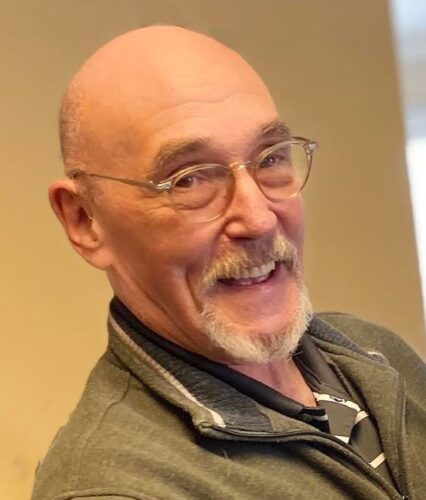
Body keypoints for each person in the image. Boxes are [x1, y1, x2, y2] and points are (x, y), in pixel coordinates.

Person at [32, 26, 426, 500]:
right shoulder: (121, 487)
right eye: (189, 178)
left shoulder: (376, 355)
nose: (258, 219)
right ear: (84, 220)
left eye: (270, 158)